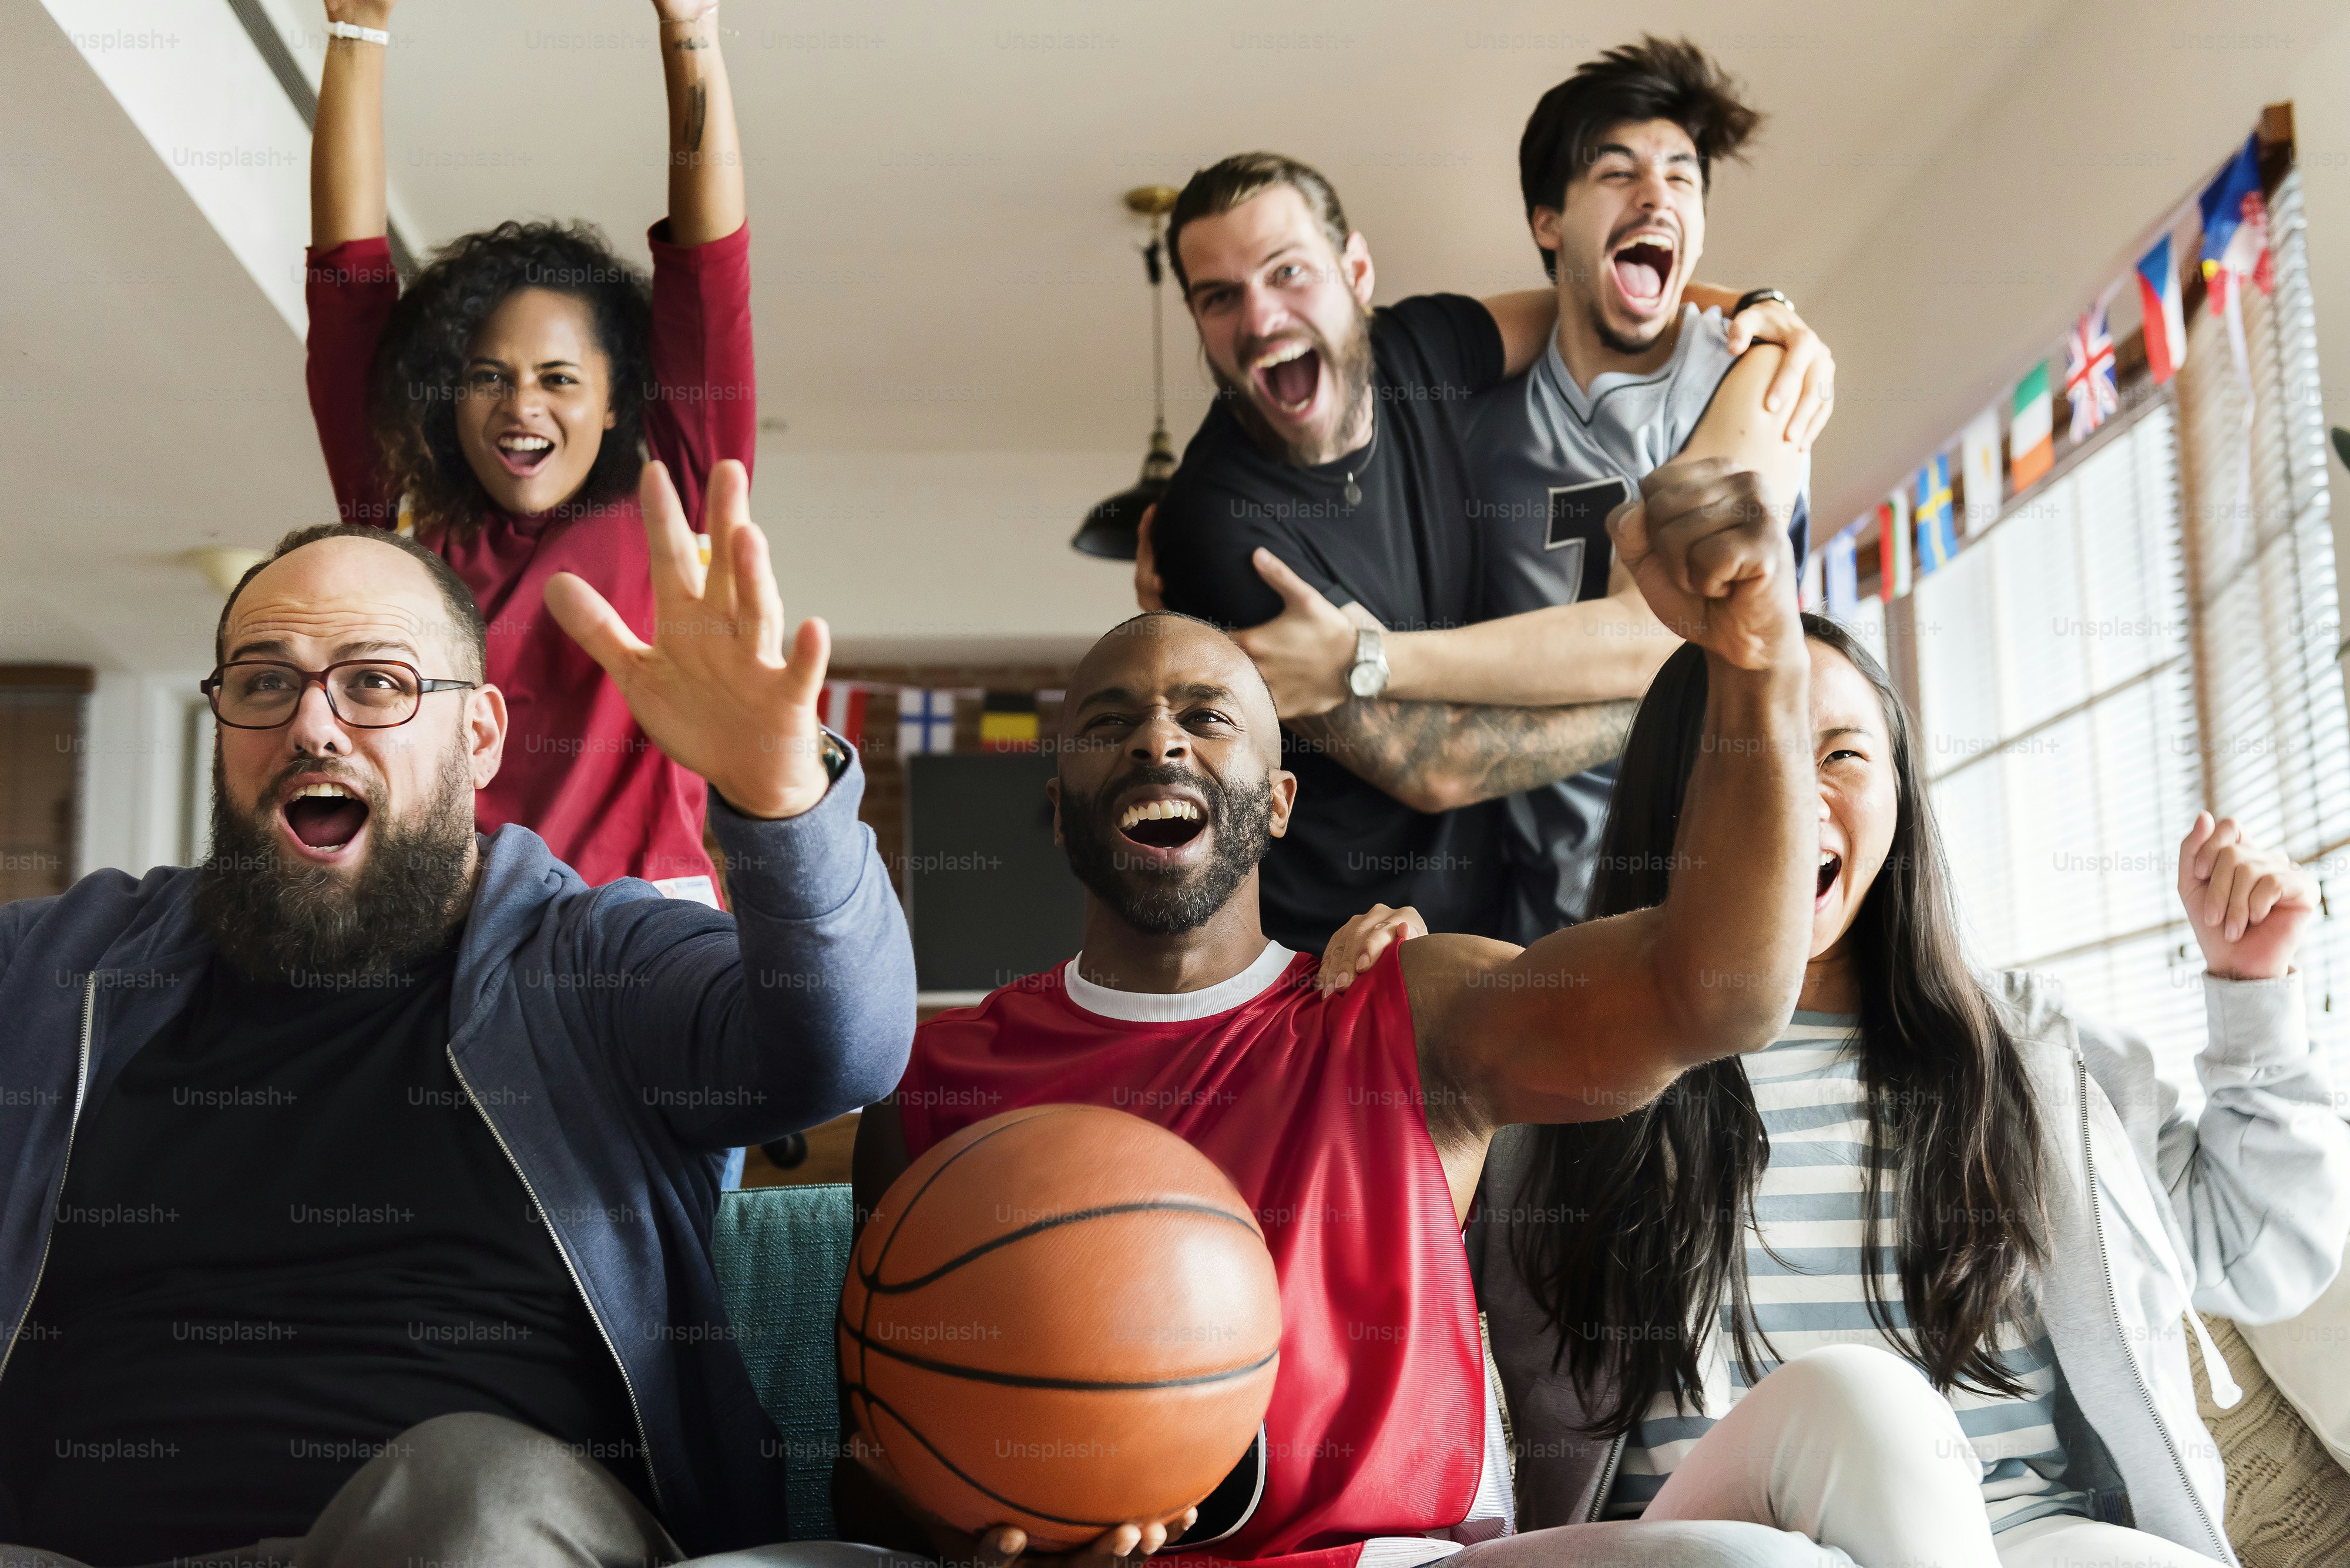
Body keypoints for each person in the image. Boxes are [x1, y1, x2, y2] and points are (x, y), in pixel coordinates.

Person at [847, 456, 1859, 1568]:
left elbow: (1713, 993)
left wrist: (1756, 664)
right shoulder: (934, 1080)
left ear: (1280, 802)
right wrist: (985, 1533)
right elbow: (873, 1461)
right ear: (1057, 808)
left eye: (1205, 714)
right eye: (1110, 721)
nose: (1157, 739)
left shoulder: (1409, 1011)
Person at [0, 460, 914, 1562]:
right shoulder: (62, 969)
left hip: (479, 1534)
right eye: (262, 682)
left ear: (479, 737)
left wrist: (783, 803)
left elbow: (841, 1049)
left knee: (460, 1490)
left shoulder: (592, 960)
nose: (313, 726)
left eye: (376, 682)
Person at [1327, 616, 2350, 1568]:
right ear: (1666, 802)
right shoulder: (1555, 1046)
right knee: (1865, 1410)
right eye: (1748, 760)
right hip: (1714, 1544)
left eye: (1842, 753)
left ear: (1901, 795)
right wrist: (1377, 1043)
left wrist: (2254, 993)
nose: (1794, 797)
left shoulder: (2031, 1057)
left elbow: (2266, 1256)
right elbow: (1366, 1297)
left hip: (2019, 1538)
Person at [1171, 41, 1824, 945]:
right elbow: (1437, 764)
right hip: (1352, 944)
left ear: (1357, 276)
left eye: (1290, 271)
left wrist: (1766, 306)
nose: (1262, 317)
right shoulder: (1221, 521)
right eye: (1219, 297)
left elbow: (1654, 627)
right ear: (1549, 218)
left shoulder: (1426, 356)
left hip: (1693, 897)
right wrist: (1693, 679)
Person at [306, 0, 753, 902]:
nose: (522, 406)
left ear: (618, 398)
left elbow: (711, 265)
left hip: (644, 922)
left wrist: (691, 29)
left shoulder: (675, 486)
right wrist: (356, 30)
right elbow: (348, 278)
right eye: (488, 376)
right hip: (441, 922)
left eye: (558, 377)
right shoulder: (399, 509)